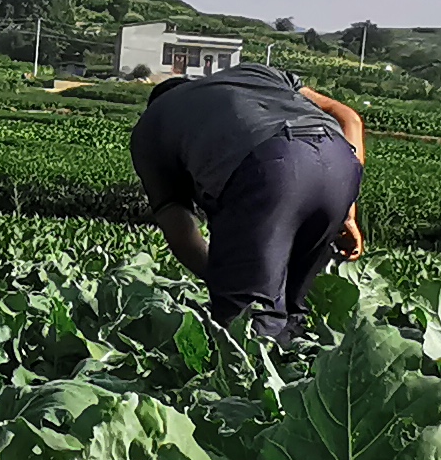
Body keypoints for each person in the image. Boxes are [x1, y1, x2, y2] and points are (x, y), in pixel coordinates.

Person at [129, 60, 367, 337]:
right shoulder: (258, 73)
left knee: (250, 326)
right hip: (339, 161)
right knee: (295, 311)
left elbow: (179, 229)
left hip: (267, 169)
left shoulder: (152, 125)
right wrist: (348, 210)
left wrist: (227, 277)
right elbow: (348, 116)